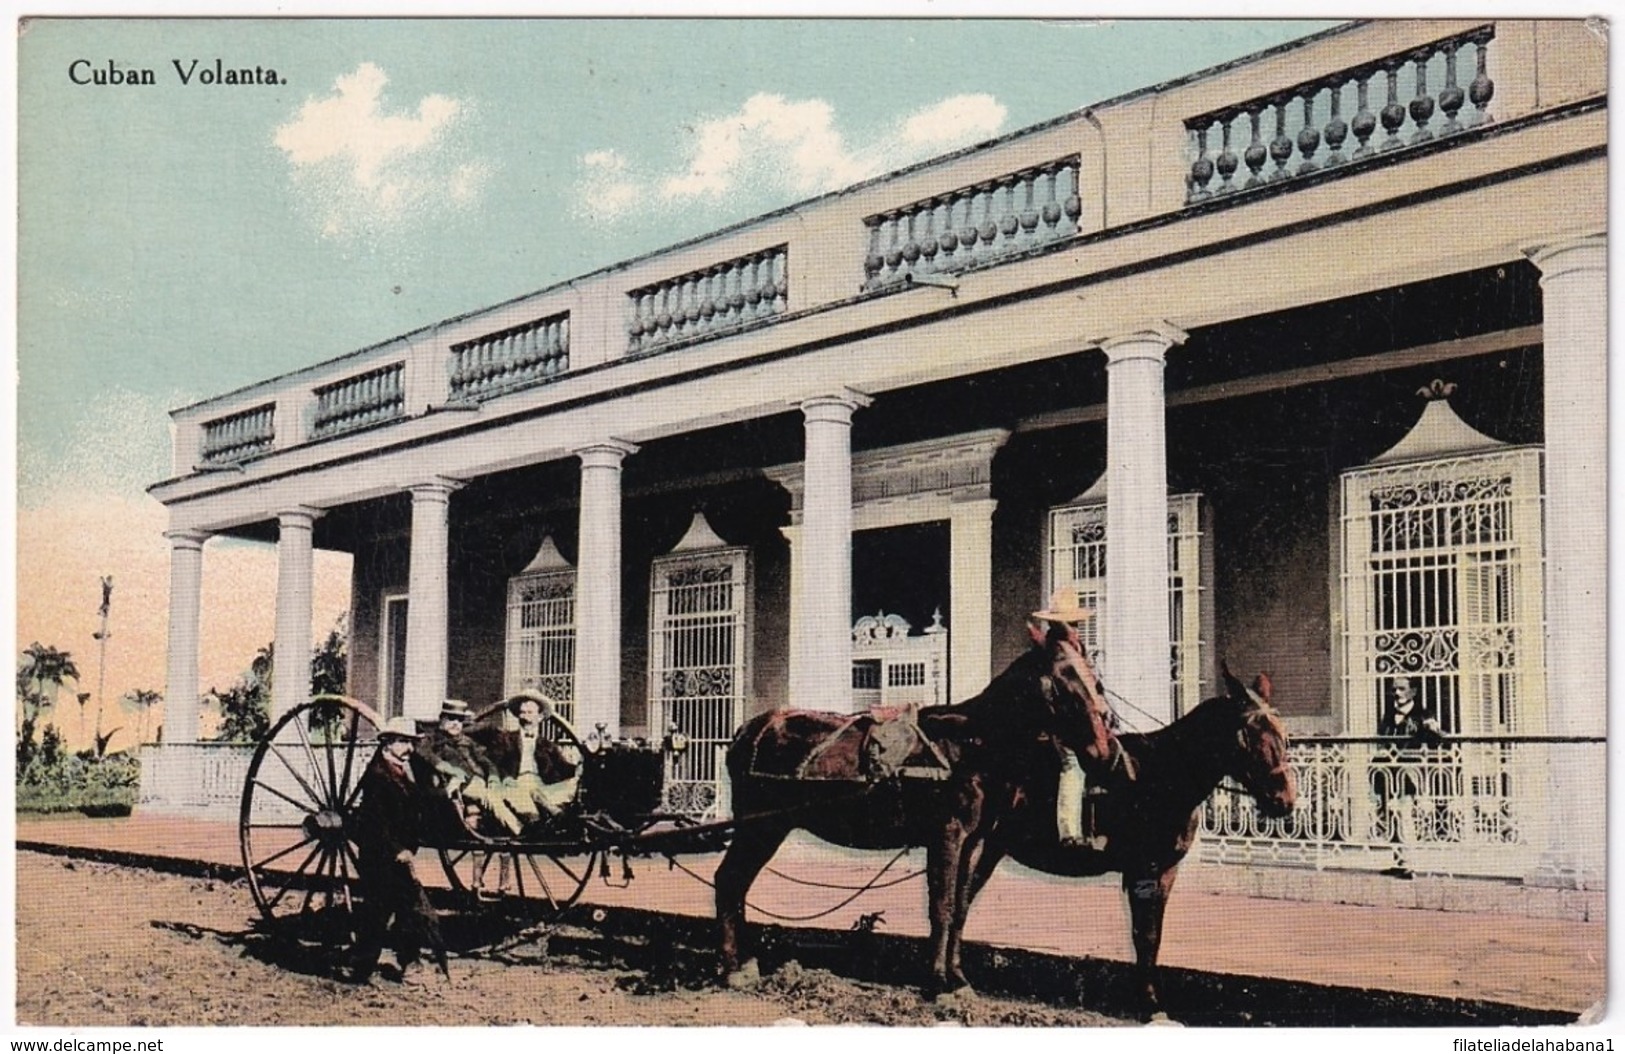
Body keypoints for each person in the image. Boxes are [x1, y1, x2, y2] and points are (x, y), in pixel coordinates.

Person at [347, 716, 448, 986]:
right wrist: (397, 849)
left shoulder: (401, 769)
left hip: (400, 854)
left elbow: (418, 799)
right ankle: (361, 968)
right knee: (377, 912)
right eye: (404, 742)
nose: (409, 748)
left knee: (408, 910)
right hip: (380, 855)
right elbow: (375, 821)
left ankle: (410, 963)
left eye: (412, 743)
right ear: (388, 742)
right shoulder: (377, 775)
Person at [1031, 588, 1133, 849]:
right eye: (1071, 623)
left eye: (1076, 623)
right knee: (1072, 766)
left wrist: (1104, 707)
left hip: (1086, 723)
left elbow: (1091, 686)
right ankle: (1069, 833)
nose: (1076, 628)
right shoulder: (1053, 653)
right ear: (1058, 625)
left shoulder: (1077, 649)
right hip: (1063, 727)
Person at [478, 691, 579, 834]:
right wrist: (503, 778)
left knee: (575, 783)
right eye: (522, 713)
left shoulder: (547, 745)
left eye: (530, 712)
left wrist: (581, 767)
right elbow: (492, 763)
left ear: (540, 717)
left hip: (543, 786)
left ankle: (556, 814)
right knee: (524, 791)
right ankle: (552, 816)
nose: (525, 717)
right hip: (515, 784)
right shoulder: (505, 739)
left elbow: (564, 768)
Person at [416, 699, 520, 837]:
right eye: (451, 719)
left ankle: (531, 822)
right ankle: (519, 830)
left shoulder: (467, 741)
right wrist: (448, 768)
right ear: (442, 719)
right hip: (461, 785)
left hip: (480, 782)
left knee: (511, 792)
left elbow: (486, 762)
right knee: (490, 797)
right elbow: (425, 754)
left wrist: (493, 778)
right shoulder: (432, 740)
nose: (455, 723)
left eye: (459, 720)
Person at [1374, 678, 1444, 878]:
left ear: (1413, 692)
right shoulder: (1389, 714)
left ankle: (1410, 863)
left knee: (1405, 814)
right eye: (1394, 688)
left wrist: (1433, 729)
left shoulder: (1423, 715)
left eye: (1402, 688)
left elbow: (1435, 741)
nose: (1397, 692)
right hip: (1388, 772)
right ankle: (1398, 860)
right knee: (1391, 815)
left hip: (1409, 773)